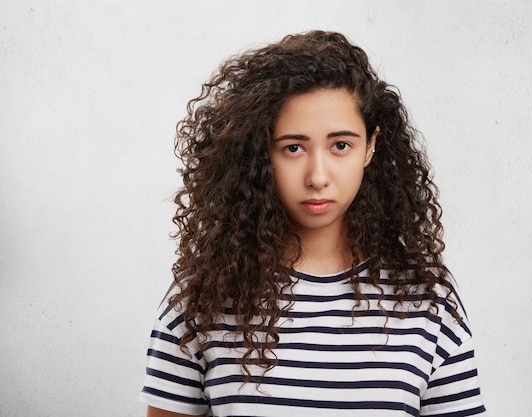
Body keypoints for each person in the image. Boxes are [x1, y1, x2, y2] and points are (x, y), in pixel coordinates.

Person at [140, 30, 486, 417]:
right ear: (259, 153)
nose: (317, 176)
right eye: (293, 148)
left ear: (370, 146)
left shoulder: (427, 297)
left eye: (341, 145)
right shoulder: (202, 297)